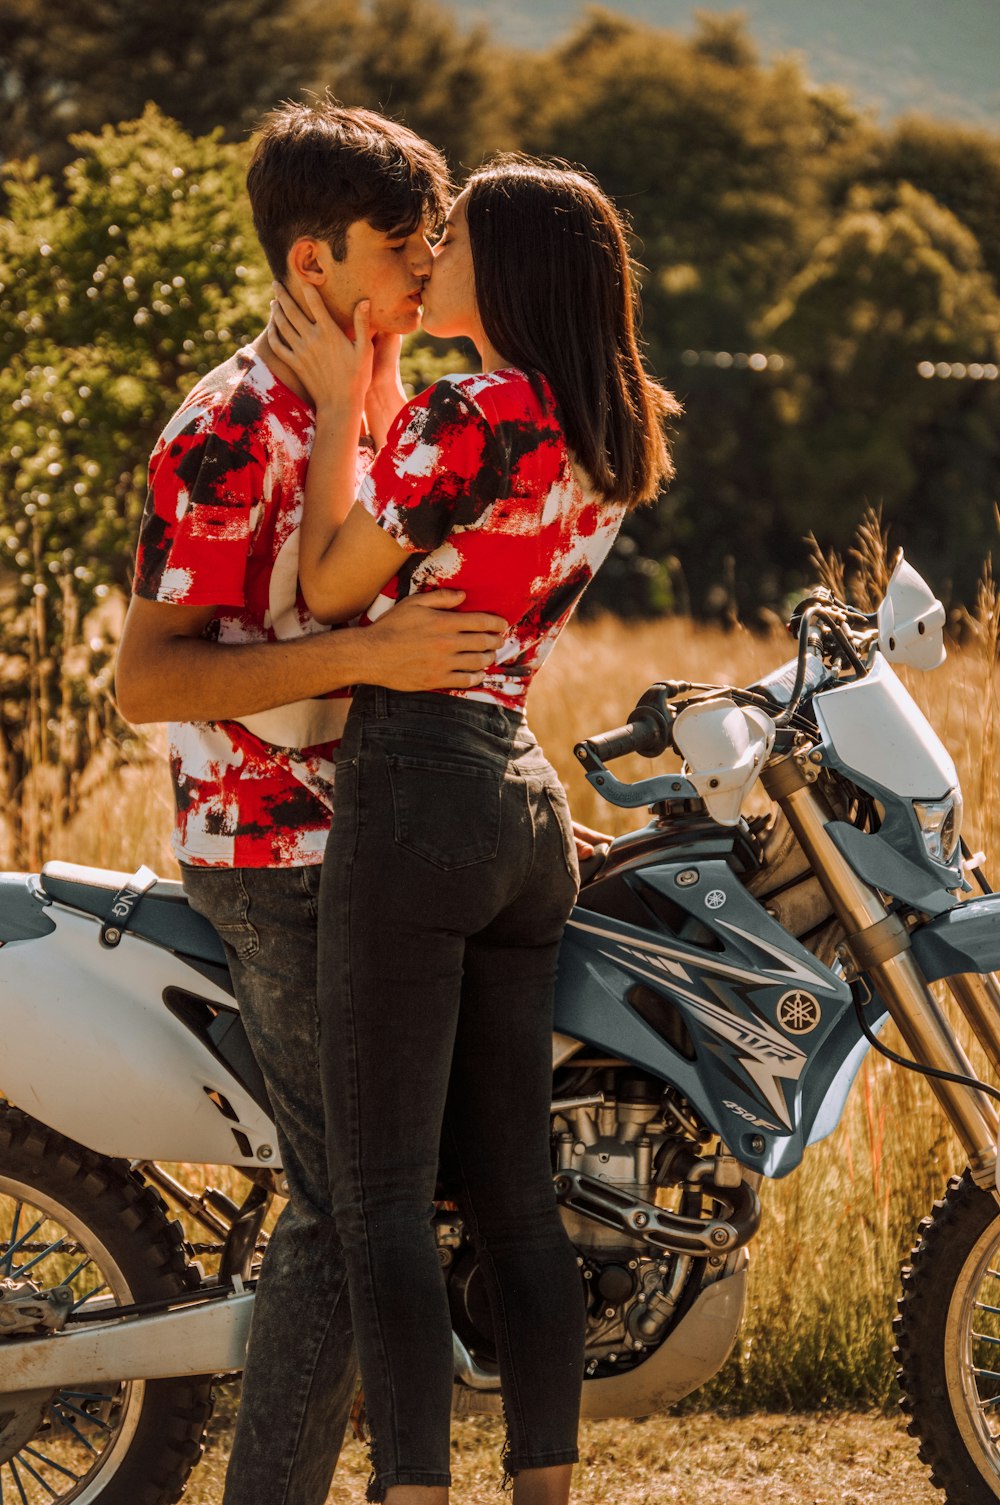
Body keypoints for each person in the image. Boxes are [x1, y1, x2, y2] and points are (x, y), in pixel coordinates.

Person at [268, 153, 681, 1504]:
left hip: (417, 788)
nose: (429, 254)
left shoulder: (471, 412)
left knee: (385, 1190)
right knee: (513, 1195)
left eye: (450, 240)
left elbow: (335, 585)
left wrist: (339, 408)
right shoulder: (607, 427)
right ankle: (543, 1492)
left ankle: (413, 1492)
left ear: (501, 265)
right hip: (520, 796)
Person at [114, 101, 510, 1505]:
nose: (423, 271)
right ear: (312, 261)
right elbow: (147, 682)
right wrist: (367, 655)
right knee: (352, 1201)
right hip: (274, 855)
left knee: (389, 1193)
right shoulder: (230, 426)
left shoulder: (383, 400)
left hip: (381, 839)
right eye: (402, 248)